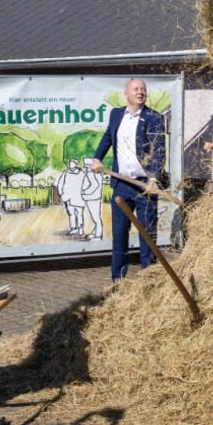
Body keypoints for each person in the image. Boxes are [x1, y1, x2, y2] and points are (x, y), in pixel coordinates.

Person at [90, 78, 167, 282]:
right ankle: (118, 281)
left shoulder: (153, 117)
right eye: (136, 89)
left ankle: (149, 281)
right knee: (119, 236)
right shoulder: (116, 114)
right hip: (122, 185)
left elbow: (159, 150)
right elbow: (108, 137)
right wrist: (97, 157)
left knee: (147, 236)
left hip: (144, 186)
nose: (140, 92)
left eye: (143, 89)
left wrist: (154, 179)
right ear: (126, 93)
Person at [55, 159, 86, 235]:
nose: (70, 165)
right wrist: (61, 193)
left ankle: (80, 228)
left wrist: (84, 193)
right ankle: (73, 228)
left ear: (76, 164)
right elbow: (60, 183)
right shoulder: (65, 172)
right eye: (70, 163)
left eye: (72, 163)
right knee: (71, 213)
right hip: (68, 197)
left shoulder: (82, 173)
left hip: (79, 197)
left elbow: (85, 184)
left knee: (79, 213)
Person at [81, 157, 104, 240]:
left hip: (92, 197)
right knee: (95, 217)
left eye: (86, 166)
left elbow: (95, 185)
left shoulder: (91, 173)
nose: (85, 168)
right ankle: (95, 233)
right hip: (93, 197)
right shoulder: (95, 173)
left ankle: (98, 235)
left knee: (96, 217)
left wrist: (85, 192)